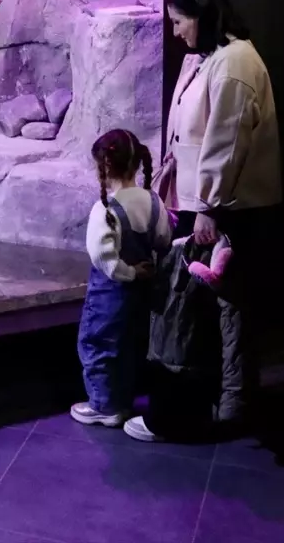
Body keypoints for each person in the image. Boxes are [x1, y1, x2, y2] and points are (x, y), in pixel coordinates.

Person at [125, 0, 282, 443]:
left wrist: (209, 206)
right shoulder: (207, 58)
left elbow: (225, 142)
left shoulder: (234, 63)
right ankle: (213, 407)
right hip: (203, 204)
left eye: (179, 22)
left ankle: (205, 412)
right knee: (208, 313)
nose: (175, 32)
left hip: (225, 209)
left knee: (211, 313)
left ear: (202, 15)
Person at [71, 129, 173, 428]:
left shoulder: (105, 209)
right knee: (130, 345)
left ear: (103, 166)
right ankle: (124, 400)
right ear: (137, 163)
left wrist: (128, 272)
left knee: (97, 344)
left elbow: (103, 258)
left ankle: (104, 405)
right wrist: (143, 269)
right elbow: (163, 239)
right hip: (143, 292)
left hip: (110, 294)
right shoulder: (153, 201)